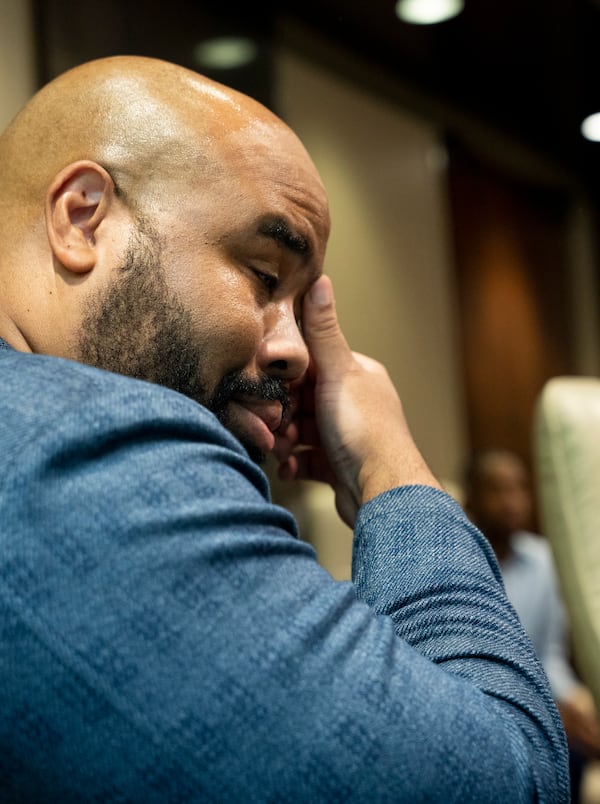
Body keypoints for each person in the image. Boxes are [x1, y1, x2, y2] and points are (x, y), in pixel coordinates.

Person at [0, 55, 568, 803]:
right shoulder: (78, 451)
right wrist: (392, 472)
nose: (296, 349)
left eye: (302, 307)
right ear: (83, 217)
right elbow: (507, 779)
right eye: (265, 276)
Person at [464, 447, 600, 803]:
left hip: (537, 703)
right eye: (498, 489)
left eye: (520, 488)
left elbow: (549, 654)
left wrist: (571, 701)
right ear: (470, 498)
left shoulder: (544, 562)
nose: (513, 501)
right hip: (476, 707)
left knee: (576, 744)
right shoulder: (458, 566)